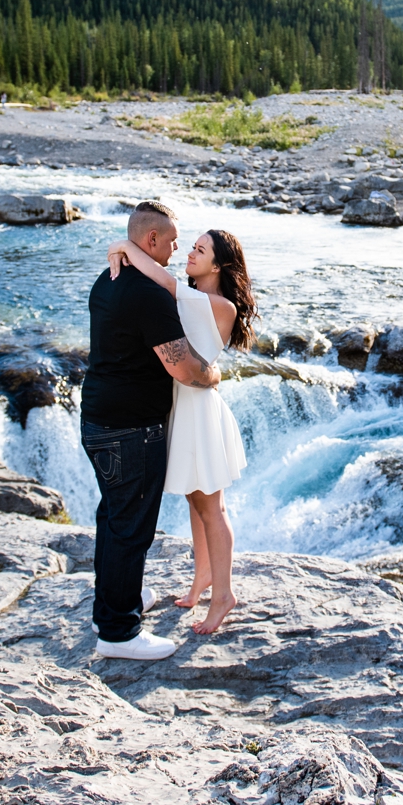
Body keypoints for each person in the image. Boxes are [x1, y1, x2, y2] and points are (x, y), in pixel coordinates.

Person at [80, 201, 221, 661]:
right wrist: (213, 375)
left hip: (99, 418)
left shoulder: (111, 279)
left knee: (113, 517)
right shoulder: (147, 293)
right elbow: (183, 368)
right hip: (131, 428)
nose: (178, 247)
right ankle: (118, 632)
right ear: (152, 240)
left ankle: (120, 600)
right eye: (174, 239)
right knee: (129, 528)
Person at [107, 227, 255, 634]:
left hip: (199, 413)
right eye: (191, 246)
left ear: (219, 264)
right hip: (183, 407)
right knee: (196, 503)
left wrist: (125, 247)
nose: (190, 253)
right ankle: (202, 579)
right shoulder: (194, 298)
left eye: (200, 250)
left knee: (211, 508)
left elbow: (165, 281)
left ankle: (223, 595)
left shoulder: (219, 304)